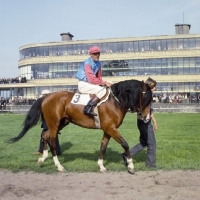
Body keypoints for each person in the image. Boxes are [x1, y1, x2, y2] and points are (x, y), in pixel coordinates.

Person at [121, 77, 160, 168]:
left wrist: (154, 122)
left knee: (144, 142)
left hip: (141, 122)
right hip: (145, 123)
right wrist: (153, 122)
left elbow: (149, 111)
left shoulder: (143, 95)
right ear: (150, 85)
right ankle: (151, 165)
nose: (155, 88)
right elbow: (148, 112)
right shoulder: (146, 96)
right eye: (154, 86)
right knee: (152, 144)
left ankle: (126, 155)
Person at [75, 46, 112, 116]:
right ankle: (88, 108)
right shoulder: (87, 63)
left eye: (98, 53)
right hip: (84, 84)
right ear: (91, 54)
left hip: (90, 84)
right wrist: (104, 83)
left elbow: (99, 77)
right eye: (95, 54)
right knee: (102, 90)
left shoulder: (99, 63)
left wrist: (104, 83)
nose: (97, 55)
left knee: (110, 83)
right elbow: (91, 79)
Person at [33, 90, 61, 155]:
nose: (44, 96)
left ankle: (56, 152)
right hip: (46, 122)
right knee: (45, 135)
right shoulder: (46, 102)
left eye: (45, 95)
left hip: (50, 123)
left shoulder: (52, 103)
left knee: (52, 136)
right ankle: (42, 150)